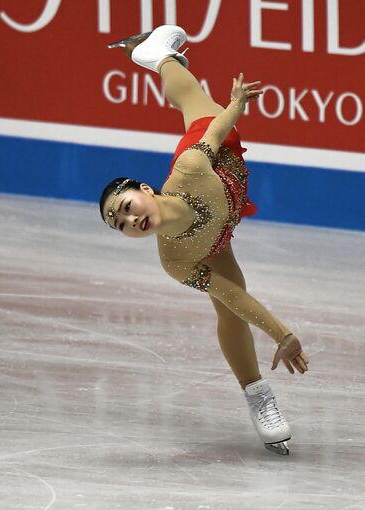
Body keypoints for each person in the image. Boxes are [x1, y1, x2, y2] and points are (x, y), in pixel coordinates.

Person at [100, 25, 309, 455]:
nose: (129, 220)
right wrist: (282, 335)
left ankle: (159, 55)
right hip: (215, 235)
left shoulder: (191, 167)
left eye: (125, 206)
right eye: (118, 224)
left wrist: (235, 105)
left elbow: (214, 132)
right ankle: (259, 398)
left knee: (191, 100)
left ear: (144, 190)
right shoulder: (175, 260)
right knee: (230, 307)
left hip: (218, 159)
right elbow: (232, 295)